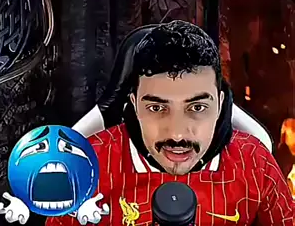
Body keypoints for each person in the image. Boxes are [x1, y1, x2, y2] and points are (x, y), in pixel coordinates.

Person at [46, 20, 295, 225]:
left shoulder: (254, 163)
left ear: (220, 106)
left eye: (197, 108)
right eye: (157, 108)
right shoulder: (84, 168)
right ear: (134, 104)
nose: (177, 134)